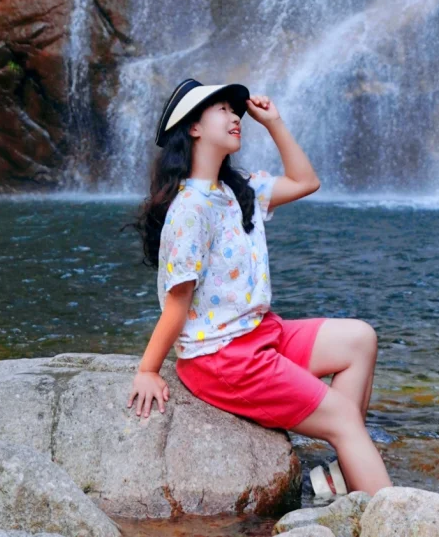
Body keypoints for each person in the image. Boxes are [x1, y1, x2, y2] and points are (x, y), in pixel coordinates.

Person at [127, 77, 392, 495]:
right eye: (223, 110)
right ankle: (392, 515)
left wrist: (275, 123)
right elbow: (177, 304)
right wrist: (147, 370)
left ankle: (344, 477)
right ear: (193, 127)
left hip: (261, 333)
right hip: (223, 357)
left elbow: (306, 182)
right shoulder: (191, 208)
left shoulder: (237, 189)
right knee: (343, 417)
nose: (236, 117)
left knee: (360, 339)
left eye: (236, 111)